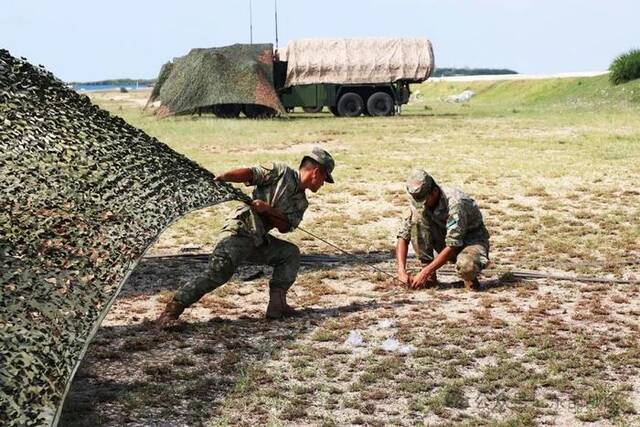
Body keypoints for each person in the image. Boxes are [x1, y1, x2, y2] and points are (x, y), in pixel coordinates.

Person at [157, 147, 335, 325]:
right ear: (316, 172)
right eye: (324, 178)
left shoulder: (301, 203)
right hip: (240, 231)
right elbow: (250, 174)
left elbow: (284, 227)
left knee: (289, 254)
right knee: (217, 274)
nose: (323, 183)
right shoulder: (281, 172)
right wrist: (225, 177)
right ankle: (171, 311)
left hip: (257, 240)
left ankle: (277, 307)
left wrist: (268, 209)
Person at [396, 169, 490, 290]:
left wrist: (425, 272)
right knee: (417, 219)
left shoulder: (456, 203)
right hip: (444, 238)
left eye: (424, 201)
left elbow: (453, 244)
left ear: (434, 192)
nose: (422, 205)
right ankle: (430, 277)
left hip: (471, 241)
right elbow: (403, 235)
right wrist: (401, 271)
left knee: (467, 267)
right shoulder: (418, 201)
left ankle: (469, 279)